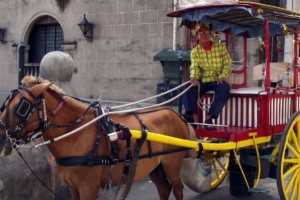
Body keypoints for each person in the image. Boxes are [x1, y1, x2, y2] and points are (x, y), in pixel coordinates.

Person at [184, 23, 232, 128]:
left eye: (206, 32)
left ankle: (210, 118)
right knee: (189, 89)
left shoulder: (220, 47)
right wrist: (194, 77)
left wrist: (223, 76)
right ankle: (191, 117)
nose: (204, 35)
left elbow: (227, 63)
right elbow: (194, 66)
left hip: (218, 79)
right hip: (203, 81)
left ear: (210, 34)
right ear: (197, 36)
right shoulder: (195, 51)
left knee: (224, 88)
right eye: (201, 33)